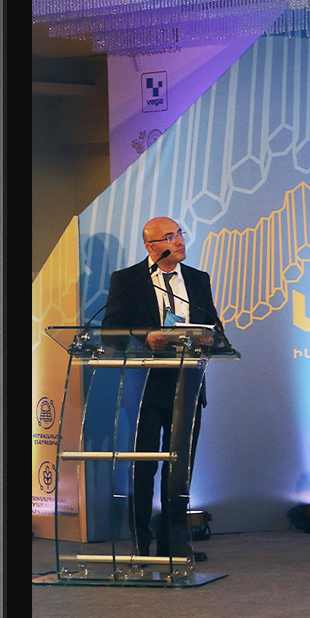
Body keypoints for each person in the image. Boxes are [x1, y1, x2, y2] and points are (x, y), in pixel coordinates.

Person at [101, 216, 226, 561]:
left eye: (180, 233)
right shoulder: (128, 280)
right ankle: (141, 544)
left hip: (187, 386)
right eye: (170, 237)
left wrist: (209, 338)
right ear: (151, 246)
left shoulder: (198, 279)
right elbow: (110, 331)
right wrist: (146, 337)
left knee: (179, 470)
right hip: (144, 388)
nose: (180, 241)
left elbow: (215, 327)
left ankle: (175, 543)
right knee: (144, 468)